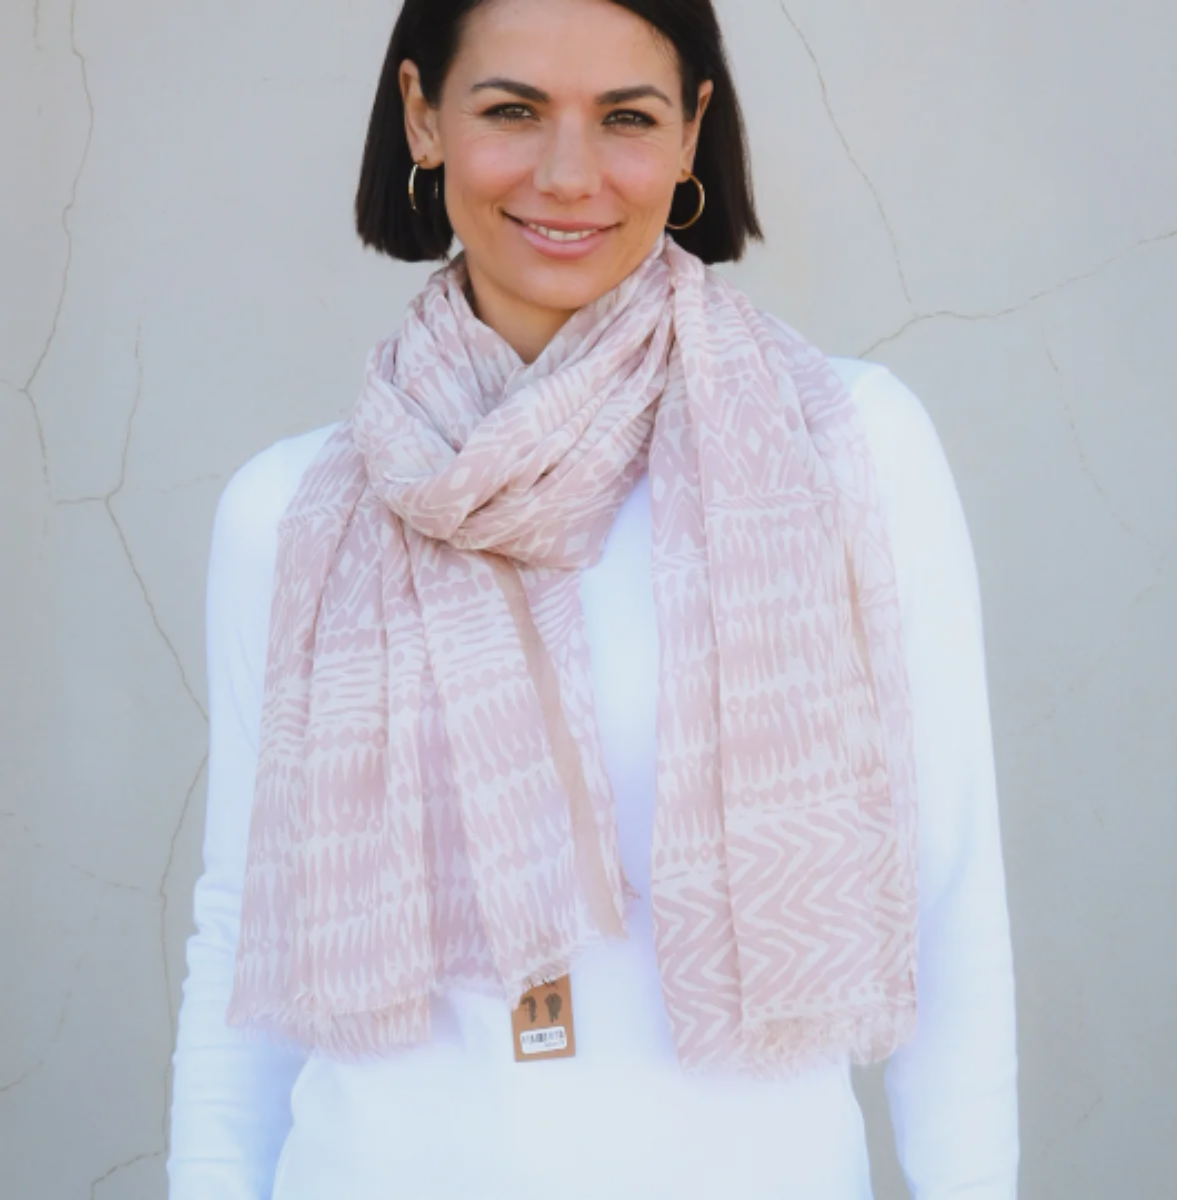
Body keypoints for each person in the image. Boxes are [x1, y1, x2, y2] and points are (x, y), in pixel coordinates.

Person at [166, 0, 1019, 1197]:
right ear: (422, 116)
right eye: (512, 110)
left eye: (627, 117)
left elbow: (949, 900)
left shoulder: (848, 449)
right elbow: (239, 941)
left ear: (691, 136)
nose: (569, 176)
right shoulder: (290, 511)